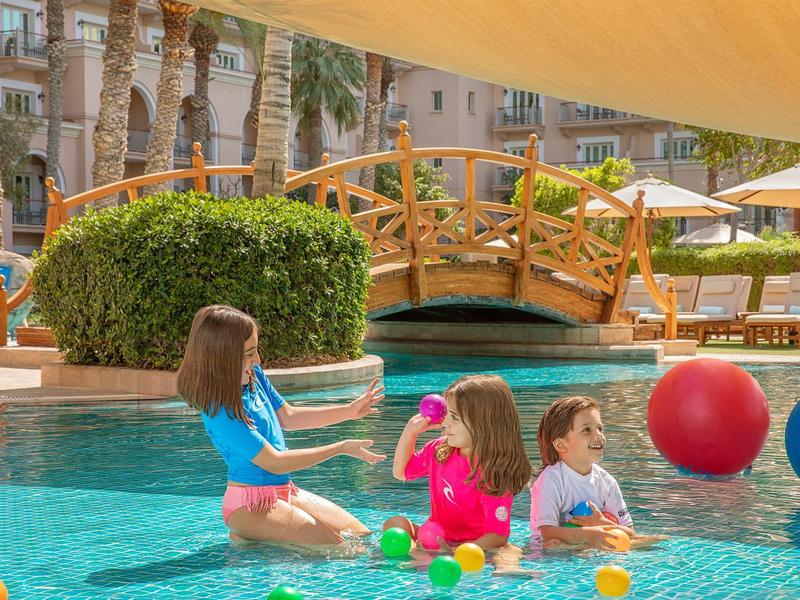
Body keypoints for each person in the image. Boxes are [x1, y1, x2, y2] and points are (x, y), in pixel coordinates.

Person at [177, 304, 386, 547]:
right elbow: (274, 461)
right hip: (249, 503)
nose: (257, 359)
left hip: (284, 491)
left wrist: (349, 411)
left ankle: (255, 538)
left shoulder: (254, 378)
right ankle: (249, 530)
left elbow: (287, 416)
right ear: (223, 356)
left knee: (363, 538)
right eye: (249, 353)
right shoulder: (219, 410)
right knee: (343, 549)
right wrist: (339, 448)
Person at [383, 374, 532, 551]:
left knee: (508, 552)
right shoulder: (439, 451)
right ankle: (420, 553)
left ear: (483, 424)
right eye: (446, 414)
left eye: (454, 417)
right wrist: (410, 431)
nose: (444, 422)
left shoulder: (494, 472)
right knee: (395, 524)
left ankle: (419, 556)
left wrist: (457, 551)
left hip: (474, 545)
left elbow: (497, 536)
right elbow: (400, 472)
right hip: (435, 538)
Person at [530, 395, 664, 550]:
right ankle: (587, 547)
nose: (599, 436)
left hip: (591, 539)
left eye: (600, 429)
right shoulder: (550, 480)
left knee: (646, 541)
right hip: (552, 547)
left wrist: (601, 523)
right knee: (553, 545)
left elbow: (630, 532)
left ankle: (589, 547)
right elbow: (547, 532)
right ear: (561, 444)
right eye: (587, 430)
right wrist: (589, 534)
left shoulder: (607, 482)